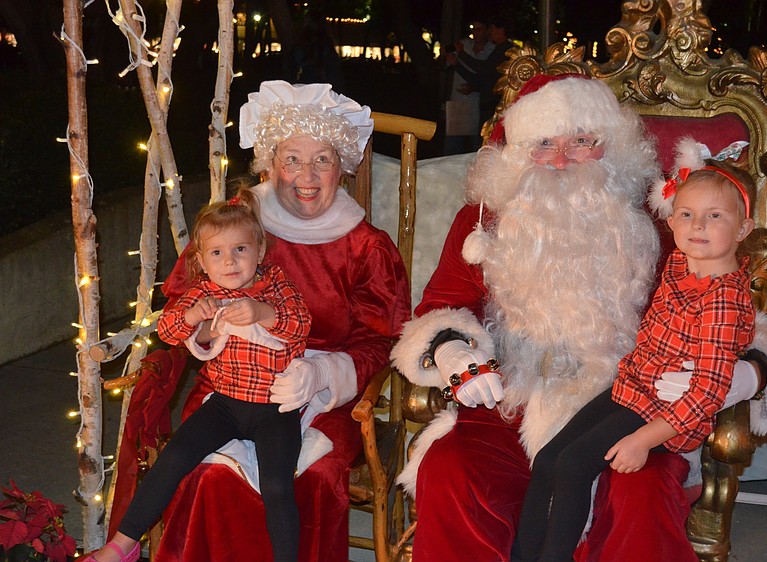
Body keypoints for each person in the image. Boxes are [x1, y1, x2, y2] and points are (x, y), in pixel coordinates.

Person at [390, 74, 767, 562]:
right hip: (506, 405)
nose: (560, 159)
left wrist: (740, 376)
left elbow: (733, 314)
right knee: (451, 471)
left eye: (581, 142)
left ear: (610, 146)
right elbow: (442, 306)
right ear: (518, 153)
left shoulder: (662, 223)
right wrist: (451, 350)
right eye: (544, 144)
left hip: (627, 404)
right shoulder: (484, 221)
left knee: (639, 494)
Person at [109, 81, 410, 562]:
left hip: (323, 396)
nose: (305, 177)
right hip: (227, 381)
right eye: (291, 159)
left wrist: (323, 374)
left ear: (343, 168)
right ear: (271, 163)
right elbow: (184, 301)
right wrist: (206, 333)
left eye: (322, 160)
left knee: (314, 475)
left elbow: (383, 339)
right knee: (204, 472)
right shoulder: (235, 227)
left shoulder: (366, 247)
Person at [511, 145, 758, 561]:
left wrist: (643, 440)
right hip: (631, 386)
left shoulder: (724, 301)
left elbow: (707, 394)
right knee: (550, 456)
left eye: (715, 216)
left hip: (666, 413)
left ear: (743, 229)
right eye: (685, 214)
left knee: (573, 466)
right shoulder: (680, 264)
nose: (697, 225)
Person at [90, 188, 312, 562]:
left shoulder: (275, 286)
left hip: (276, 407)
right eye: (217, 253)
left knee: (276, 483)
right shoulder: (204, 292)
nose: (230, 261)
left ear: (259, 251)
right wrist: (194, 318)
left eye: (240, 249)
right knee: (174, 457)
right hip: (225, 404)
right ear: (203, 262)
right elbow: (169, 331)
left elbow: (301, 324)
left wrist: (261, 313)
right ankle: (122, 546)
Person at [447, 17, 512, 130]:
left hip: (493, 105)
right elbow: (482, 76)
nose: (489, 32)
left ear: (501, 30)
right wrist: (456, 64)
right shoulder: (498, 49)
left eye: (491, 29)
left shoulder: (504, 50)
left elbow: (483, 69)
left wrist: (461, 55)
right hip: (485, 105)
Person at [443, 18, 494, 155]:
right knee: (452, 146)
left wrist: (475, 87)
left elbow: (486, 75)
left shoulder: (492, 50)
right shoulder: (464, 44)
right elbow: (446, 59)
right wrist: (448, 56)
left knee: (478, 145)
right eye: (473, 29)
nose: (475, 33)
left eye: (479, 29)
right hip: (458, 101)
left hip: (478, 103)